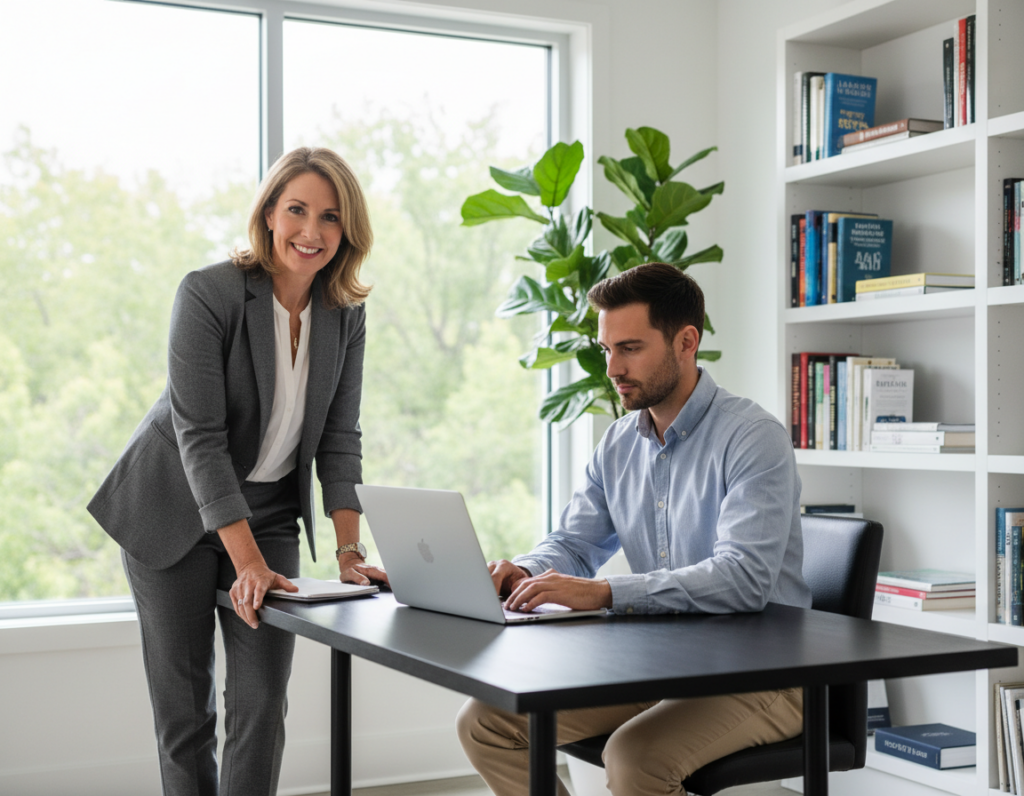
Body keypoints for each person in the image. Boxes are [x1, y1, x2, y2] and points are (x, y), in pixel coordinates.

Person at [88, 147, 387, 796]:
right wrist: (246, 563)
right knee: (185, 711)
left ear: (348, 231)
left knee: (259, 704)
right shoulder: (209, 292)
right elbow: (199, 438)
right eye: (297, 211)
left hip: (270, 513)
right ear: (269, 215)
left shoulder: (345, 314)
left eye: (330, 217)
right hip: (170, 509)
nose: (312, 232)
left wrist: (348, 549)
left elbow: (340, 437)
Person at [456, 262, 812, 796]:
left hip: (764, 675)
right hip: (661, 664)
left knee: (633, 756)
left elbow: (743, 578)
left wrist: (603, 591)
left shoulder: (751, 437)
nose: (612, 368)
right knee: (485, 721)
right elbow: (576, 542)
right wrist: (525, 571)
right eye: (606, 350)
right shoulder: (619, 442)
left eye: (630, 348)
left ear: (686, 342)